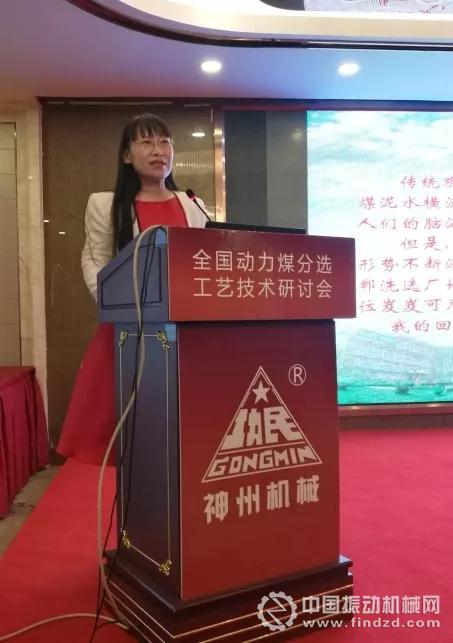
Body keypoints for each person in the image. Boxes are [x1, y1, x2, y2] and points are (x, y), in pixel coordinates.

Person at [57, 113, 208, 465]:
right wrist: (118, 307)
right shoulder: (104, 203)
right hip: (129, 331)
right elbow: (94, 261)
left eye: (165, 142)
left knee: (182, 439)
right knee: (124, 441)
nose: (158, 150)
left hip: (185, 334)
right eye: (146, 142)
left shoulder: (192, 203)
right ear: (126, 155)